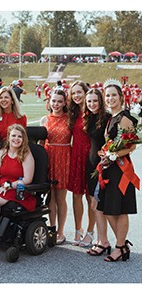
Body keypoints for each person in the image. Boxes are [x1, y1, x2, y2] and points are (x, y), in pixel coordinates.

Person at [97, 80, 139, 262]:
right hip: (110, 168)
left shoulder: (124, 118)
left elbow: (131, 147)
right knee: (108, 209)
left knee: (120, 210)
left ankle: (120, 247)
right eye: (107, 95)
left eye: (114, 95)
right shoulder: (111, 118)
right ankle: (122, 243)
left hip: (121, 169)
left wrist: (113, 156)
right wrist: (107, 155)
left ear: (121, 97)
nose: (110, 98)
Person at [40, 89, 72, 244]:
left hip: (64, 158)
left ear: (65, 102)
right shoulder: (44, 120)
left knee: (61, 198)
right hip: (49, 157)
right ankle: (51, 229)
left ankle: (61, 231)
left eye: (59, 101)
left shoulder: (69, 119)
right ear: (49, 101)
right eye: (53, 101)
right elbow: (40, 145)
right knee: (50, 197)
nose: (56, 104)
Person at [83, 88, 112, 256]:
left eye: (95, 101)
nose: (92, 104)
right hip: (91, 165)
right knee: (95, 205)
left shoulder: (107, 118)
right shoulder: (90, 117)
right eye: (89, 101)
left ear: (100, 101)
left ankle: (104, 241)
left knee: (98, 204)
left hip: (101, 166)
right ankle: (102, 240)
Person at [67, 80, 94, 246]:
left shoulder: (94, 112)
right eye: (74, 93)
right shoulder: (73, 113)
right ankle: (78, 230)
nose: (76, 96)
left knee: (91, 197)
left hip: (90, 156)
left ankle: (91, 232)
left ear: (86, 93)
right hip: (76, 156)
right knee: (76, 195)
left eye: (79, 92)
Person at [0, 86, 27, 163]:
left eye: (6, 97)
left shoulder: (21, 117)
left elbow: (23, 138)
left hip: (16, 153)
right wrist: (1, 150)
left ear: (12, 100)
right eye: (1, 98)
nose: (3, 100)